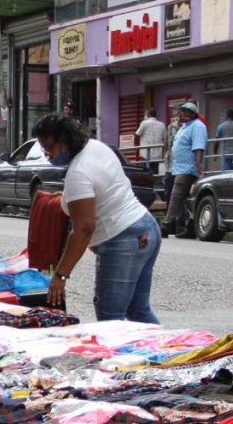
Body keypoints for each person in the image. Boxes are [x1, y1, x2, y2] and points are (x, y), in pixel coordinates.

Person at [34, 115, 161, 323]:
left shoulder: (78, 172)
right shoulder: (96, 147)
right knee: (139, 311)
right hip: (146, 227)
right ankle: (167, 353)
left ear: (64, 140)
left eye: (49, 148)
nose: (48, 155)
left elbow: (83, 228)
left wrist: (60, 276)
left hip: (124, 238)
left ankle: (139, 354)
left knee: (110, 316)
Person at [163, 102, 207, 238]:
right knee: (187, 200)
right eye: (181, 112)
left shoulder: (198, 126)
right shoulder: (184, 127)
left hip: (188, 168)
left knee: (176, 196)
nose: (182, 115)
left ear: (192, 114)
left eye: (185, 112)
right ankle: (191, 227)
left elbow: (198, 146)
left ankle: (167, 225)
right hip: (178, 168)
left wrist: (199, 163)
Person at [135, 108, 166, 175]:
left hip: (145, 155)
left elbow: (137, 134)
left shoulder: (144, 123)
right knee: (155, 175)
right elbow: (164, 138)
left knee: (144, 175)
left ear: (148, 114)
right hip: (158, 155)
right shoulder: (162, 124)